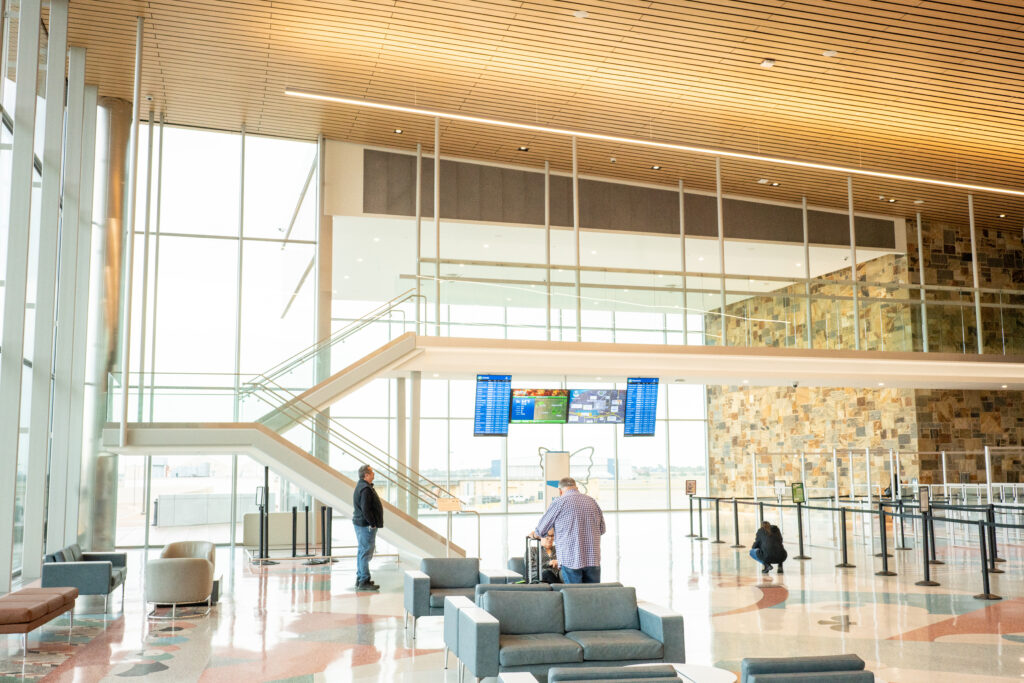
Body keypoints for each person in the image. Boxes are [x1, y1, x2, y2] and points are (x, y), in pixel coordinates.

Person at [531, 477, 605, 583]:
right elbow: (602, 529)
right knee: (592, 596)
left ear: (560, 490)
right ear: (577, 488)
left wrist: (534, 534)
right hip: (593, 559)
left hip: (570, 559)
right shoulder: (592, 501)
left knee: (573, 596)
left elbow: (542, 530)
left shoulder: (559, 502)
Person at [352, 464, 383, 591]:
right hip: (365, 525)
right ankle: (364, 580)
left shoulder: (362, 486)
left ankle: (360, 578)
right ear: (366, 475)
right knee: (365, 553)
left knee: (362, 551)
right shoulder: (365, 488)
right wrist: (372, 523)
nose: (373, 474)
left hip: (361, 524)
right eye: (371, 472)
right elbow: (366, 509)